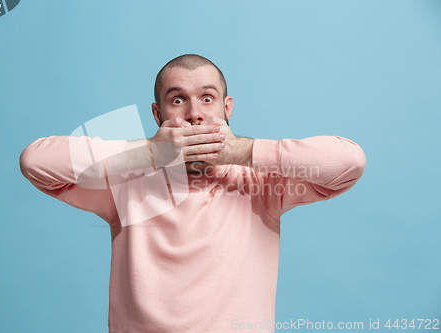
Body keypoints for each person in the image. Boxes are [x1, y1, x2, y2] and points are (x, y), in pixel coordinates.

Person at [19, 54, 366, 332]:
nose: (195, 114)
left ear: (226, 108)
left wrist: (241, 152)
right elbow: (36, 161)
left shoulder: (260, 184)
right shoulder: (126, 182)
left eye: (207, 98)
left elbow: (349, 161)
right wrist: (151, 153)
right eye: (178, 100)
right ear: (158, 114)